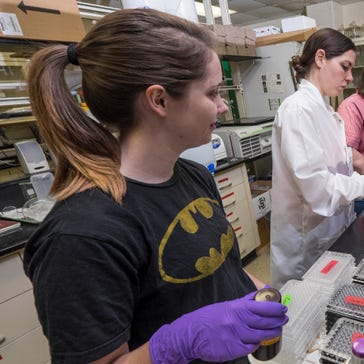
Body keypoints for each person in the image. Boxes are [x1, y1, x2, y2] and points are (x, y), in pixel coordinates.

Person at [23, 9, 287, 364]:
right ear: (159, 100)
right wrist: (174, 344)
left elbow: (217, 270)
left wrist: (257, 293)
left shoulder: (194, 176)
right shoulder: (82, 235)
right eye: (212, 93)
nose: (224, 107)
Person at [270, 29, 364, 288]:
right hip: (306, 246)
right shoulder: (297, 110)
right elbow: (317, 189)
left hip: (332, 236)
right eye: (345, 67)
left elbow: (342, 166)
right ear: (320, 58)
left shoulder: (326, 112)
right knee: (305, 315)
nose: (350, 78)